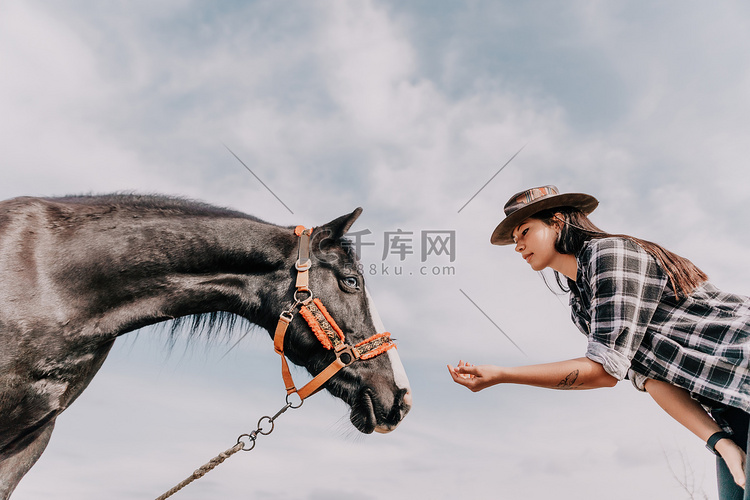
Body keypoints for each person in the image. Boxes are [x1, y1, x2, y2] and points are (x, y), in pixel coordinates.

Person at [448, 185, 750, 498]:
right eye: (514, 240)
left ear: (557, 222)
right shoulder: (582, 308)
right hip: (730, 407)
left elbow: (602, 372)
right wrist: (719, 442)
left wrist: (502, 375)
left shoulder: (609, 253)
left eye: (525, 231)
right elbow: (651, 379)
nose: (518, 246)